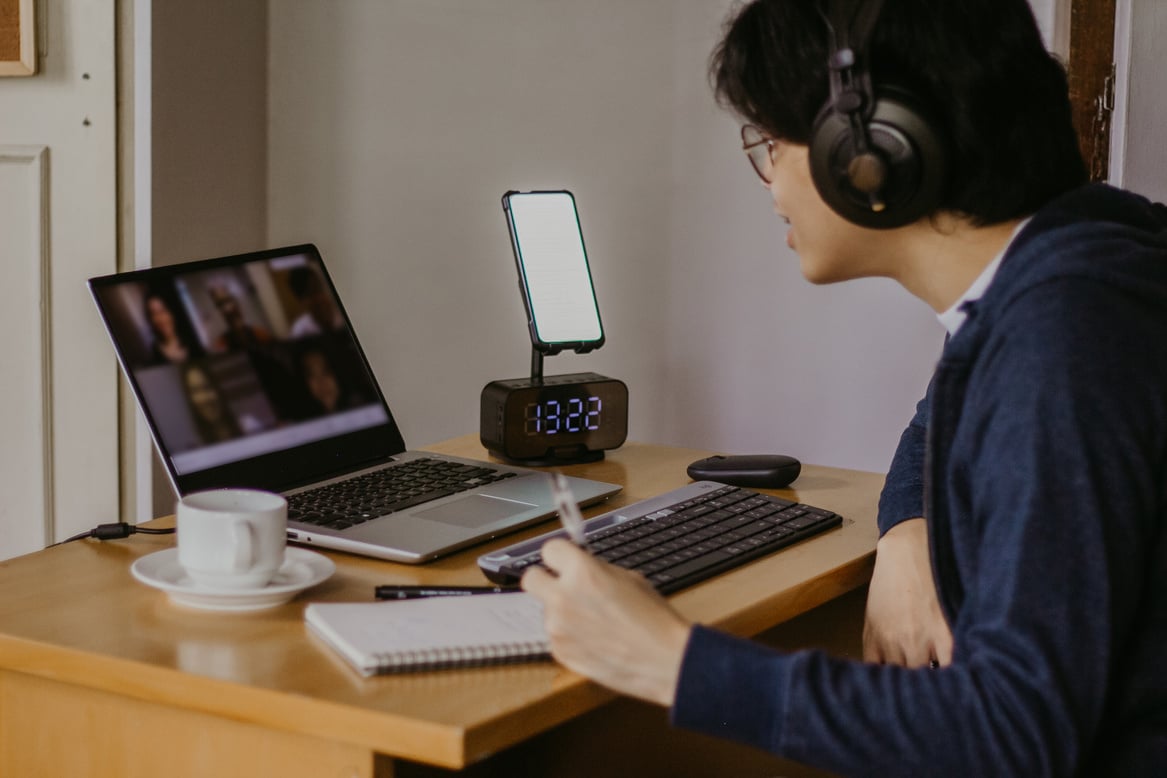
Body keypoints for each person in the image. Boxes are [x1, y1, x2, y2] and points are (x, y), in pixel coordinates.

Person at [520, 0, 1167, 774]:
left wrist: (669, 660)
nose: (766, 181)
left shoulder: (1063, 339)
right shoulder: (1085, 261)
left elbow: (1013, 739)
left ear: (869, 151)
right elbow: (942, 417)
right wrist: (906, 530)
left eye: (771, 142)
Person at [208, 282, 273, 351]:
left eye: (229, 300)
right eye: (221, 304)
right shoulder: (220, 344)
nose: (228, 308)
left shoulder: (260, 334)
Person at [143, 289, 202, 365]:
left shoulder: (193, 342)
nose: (161, 319)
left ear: (172, 312)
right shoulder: (153, 356)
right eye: (154, 313)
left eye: (163, 311)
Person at [287, 265, 344, 338]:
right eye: (310, 294)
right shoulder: (300, 330)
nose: (319, 298)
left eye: (319, 289)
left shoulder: (341, 314)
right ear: (302, 301)